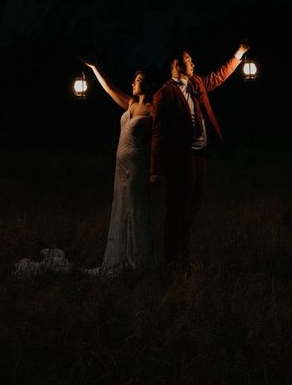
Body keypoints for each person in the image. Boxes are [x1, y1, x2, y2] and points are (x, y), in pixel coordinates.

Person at [150, 43, 248, 266]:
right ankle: (171, 260)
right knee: (176, 210)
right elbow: (158, 134)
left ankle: (183, 254)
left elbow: (219, 76)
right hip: (180, 160)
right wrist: (155, 170)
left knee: (192, 209)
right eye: (188, 59)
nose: (193, 63)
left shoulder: (196, 82)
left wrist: (239, 54)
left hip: (200, 157)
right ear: (176, 64)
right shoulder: (163, 95)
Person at [80, 60, 155, 277]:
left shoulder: (153, 109)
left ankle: (139, 260)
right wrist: (95, 68)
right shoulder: (130, 103)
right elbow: (110, 88)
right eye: (134, 80)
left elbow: (160, 138)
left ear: (147, 84)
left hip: (137, 167)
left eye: (139, 80)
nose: (134, 84)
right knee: (122, 206)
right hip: (120, 169)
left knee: (135, 207)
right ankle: (121, 256)